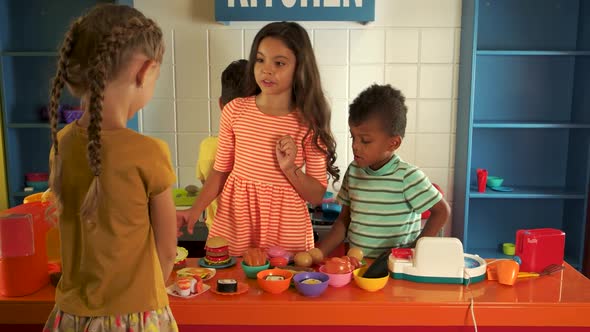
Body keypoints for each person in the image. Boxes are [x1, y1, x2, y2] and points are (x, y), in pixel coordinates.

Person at [44, 4, 178, 331]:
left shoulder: (62, 143)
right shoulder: (148, 153)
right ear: (145, 71)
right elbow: (166, 253)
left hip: (70, 317)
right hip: (135, 316)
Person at [176, 21, 339, 256]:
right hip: (237, 220)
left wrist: (289, 167)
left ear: (300, 68)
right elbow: (220, 171)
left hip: (286, 227)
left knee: (283, 289)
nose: (267, 70)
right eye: (260, 60)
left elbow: (315, 195)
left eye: (279, 63)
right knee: (231, 287)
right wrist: (195, 210)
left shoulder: (309, 122)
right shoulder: (235, 111)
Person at [317, 84, 451, 259]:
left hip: (395, 269)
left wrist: (415, 250)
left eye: (365, 140)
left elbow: (442, 211)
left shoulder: (407, 176)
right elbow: (343, 220)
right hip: (358, 266)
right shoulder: (354, 171)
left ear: (393, 143)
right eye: (353, 137)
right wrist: (319, 252)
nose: (355, 146)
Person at [195, 59, 249, 230]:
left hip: (218, 238)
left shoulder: (208, 147)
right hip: (257, 241)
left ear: (221, 104)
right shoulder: (267, 150)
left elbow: (206, 187)